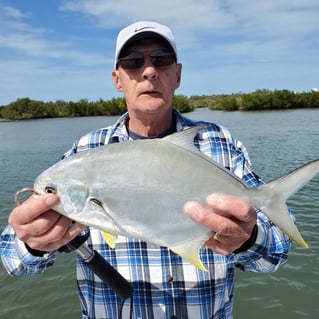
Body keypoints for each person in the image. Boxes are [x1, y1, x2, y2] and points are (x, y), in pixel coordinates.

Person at [0, 21, 292, 319]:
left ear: (177, 74)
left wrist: (249, 236)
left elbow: (277, 253)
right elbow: (14, 261)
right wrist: (34, 243)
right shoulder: (84, 152)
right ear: (117, 79)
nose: (149, 71)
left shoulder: (220, 144)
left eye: (161, 59)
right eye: (133, 62)